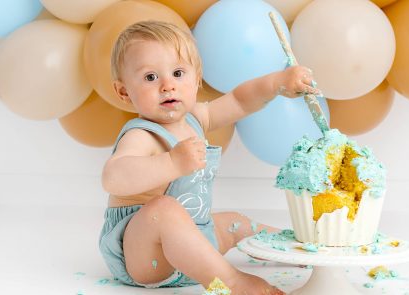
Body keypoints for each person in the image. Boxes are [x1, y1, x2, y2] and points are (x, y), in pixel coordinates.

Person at [99, 20, 319, 294]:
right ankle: (231, 281)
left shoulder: (195, 118)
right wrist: (172, 162)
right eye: (150, 77)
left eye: (178, 73)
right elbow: (113, 178)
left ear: (196, 79)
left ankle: (298, 248)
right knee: (163, 209)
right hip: (146, 256)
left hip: (194, 241)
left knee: (234, 223)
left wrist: (276, 83)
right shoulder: (142, 135)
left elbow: (239, 100)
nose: (168, 86)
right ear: (124, 92)